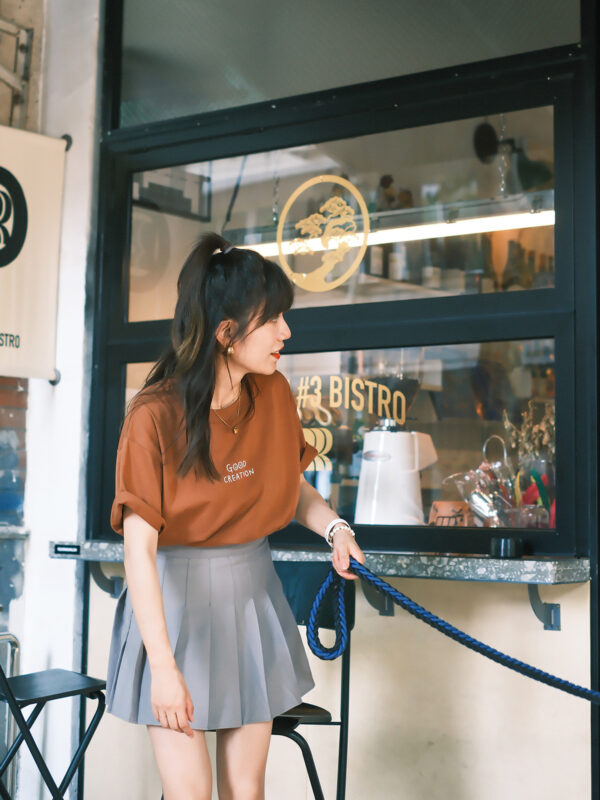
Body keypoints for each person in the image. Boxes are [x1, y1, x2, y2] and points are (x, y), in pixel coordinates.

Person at [105, 232, 365, 800]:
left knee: (245, 792)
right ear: (227, 334)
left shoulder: (272, 393)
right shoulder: (152, 417)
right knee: (190, 795)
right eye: (272, 319)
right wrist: (164, 667)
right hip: (174, 607)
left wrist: (336, 530)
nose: (285, 332)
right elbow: (139, 556)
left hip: (252, 595)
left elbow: (288, 488)